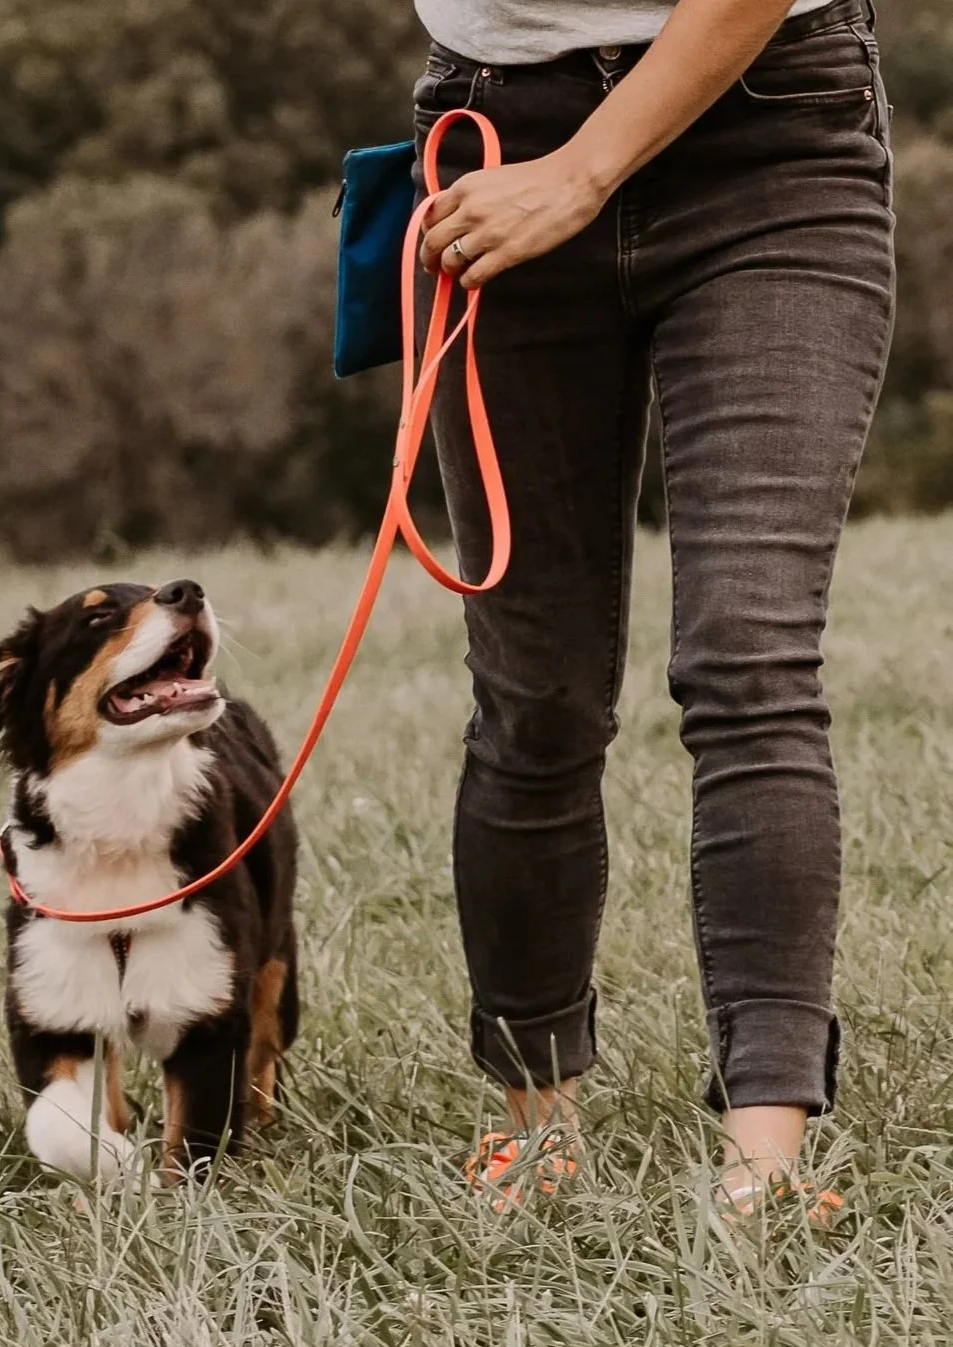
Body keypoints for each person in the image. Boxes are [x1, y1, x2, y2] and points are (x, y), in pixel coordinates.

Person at [411, 0, 893, 1215]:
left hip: (768, 137)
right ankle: (534, 1130)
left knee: (747, 656)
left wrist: (579, 174)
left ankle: (764, 1160)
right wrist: (536, 172)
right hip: (491, 136)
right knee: (534, 696)